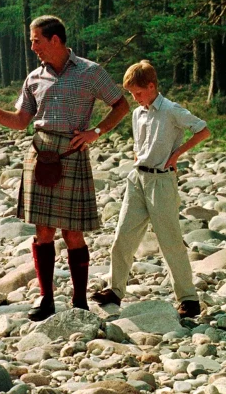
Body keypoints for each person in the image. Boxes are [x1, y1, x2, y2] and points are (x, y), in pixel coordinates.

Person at [0, 15, 129, 321]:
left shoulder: (90, 72)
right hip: (41, 150)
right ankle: (46, 299)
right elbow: (20, 121)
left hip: (72, 152)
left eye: (36, 40)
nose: (33, 47)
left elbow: (121, 105)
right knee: (43, 231)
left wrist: (95, 133)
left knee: (73, 233)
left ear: (55, 39)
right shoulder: (34, 78)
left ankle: (79, 301)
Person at [91, 60, 210, 318]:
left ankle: (189, 299)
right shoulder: (138, 113)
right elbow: (140, 144)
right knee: (122, 236)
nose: (134, 99)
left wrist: (177, 153)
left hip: (161, 182)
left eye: (138, 93)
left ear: (152, 86)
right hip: (137, 180)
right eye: (132, 94)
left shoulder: (171, 110)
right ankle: (115, 289)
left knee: (170, 242)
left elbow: (202, 130)